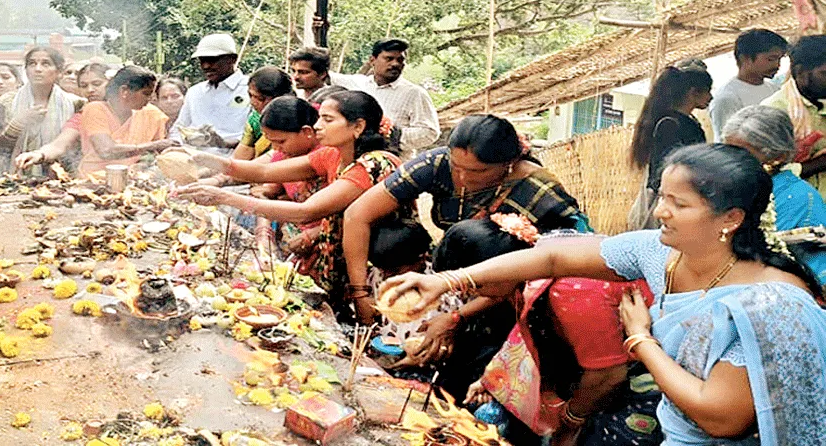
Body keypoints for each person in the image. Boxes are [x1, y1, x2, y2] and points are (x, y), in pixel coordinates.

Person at [381, 143, 826, 446]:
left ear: (730, 218)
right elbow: (553, 258)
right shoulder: (661, 253)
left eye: (679, 204)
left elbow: (722, 417)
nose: (660, 211)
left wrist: (641, 340)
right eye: (662, 196)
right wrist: (449, 281)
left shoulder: (771, 302)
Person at [179, 91, 416, 314]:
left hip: (384, 265)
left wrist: (224, 197)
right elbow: (264, 173)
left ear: (358, 126)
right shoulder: (332, 155)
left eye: (327, 119)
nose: (317, 125)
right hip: (351, 265)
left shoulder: (374, 165)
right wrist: (202, 158)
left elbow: (306, 212)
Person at [343, 114, 589, 326]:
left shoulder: (540, 194)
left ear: (509, 164)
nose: (462, 177)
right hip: (453, 283)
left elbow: (542, 268)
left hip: (508, 293)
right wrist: (360, 293)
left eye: (477, 171)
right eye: (456, 166)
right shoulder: (436, 164)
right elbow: (357, 215)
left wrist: (455, 319)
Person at [459, 228, 661, 446]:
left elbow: (608, 376)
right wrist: (496, 378)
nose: (473, 295)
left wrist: (570, 421)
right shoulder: (540, 255)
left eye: (475, 286)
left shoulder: (571, 291)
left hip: (651, 375)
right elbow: (528, 334)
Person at [721, 105, 826, 282]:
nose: (730, 162)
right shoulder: (731, 186)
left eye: (742, 154)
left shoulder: (798, 198)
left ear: (779, 157)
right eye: (727, 152)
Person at [629, 64, 713, 229]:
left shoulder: (685, 121)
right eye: (707, 91)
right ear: (692, 92)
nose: (711, 97)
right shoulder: (670, 124)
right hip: (669, 199)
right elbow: (664, 167)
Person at [345, 39, 439, 159]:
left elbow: (430, 132)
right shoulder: (358, 84)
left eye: (400, 60)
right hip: (356, 161)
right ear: (372, 60)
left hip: (394, 166)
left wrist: (392, 135)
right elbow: (324, 75)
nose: (395, 64)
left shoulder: (414, 93)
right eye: (389, 59)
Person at [74, 66, 172, 175]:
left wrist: (141, 165)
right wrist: (152, 145)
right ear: (124, 91)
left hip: (134, 181)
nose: (150, 99)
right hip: (92, 181)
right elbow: (106, 150)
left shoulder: (151, 113)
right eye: (146, 93)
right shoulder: (95, 109)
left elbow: (152, 154)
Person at [12, 62, 109, 171]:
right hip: (92, 180)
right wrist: (39, 154)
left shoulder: (129, 110)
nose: (90, 90)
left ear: (111, 83)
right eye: (84, 86)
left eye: (96, 84)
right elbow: (60, 144)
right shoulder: (83, 115)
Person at [0, 46, 83, 166]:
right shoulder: (8, 101)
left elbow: (77, 147)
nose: (37, 69)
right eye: (32, 64)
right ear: (25, 70)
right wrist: (17, 123)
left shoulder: (76, 103)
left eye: (45, 64)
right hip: (16, 173)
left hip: (62, 174)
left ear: (59, 72)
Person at [763, 34, 826, 198]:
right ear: (800, 72)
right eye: (824, 74)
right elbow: (768, 173)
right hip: (802, 209)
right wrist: (818, 163)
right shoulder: (774, 111)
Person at [169, 34, 250, 149]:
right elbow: (178, 129)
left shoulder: (250, 90)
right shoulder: (195, 92)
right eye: (202, 60)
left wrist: (222, 143)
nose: (206, 66)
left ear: (232, 59)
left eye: (212, 60)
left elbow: (258, 137)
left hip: (234, 160)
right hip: (192, 158)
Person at [709, 30, 787, 138]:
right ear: (744, 58)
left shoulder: (775, 90)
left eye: (779, 59)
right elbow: (729, 143)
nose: (777, 65)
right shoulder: (727, 98)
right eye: (771, 59)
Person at [235, 66, 294, 161]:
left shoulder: (295, 120)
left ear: (279, 97)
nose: (253, 102)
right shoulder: (255, 119)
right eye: (250, 95)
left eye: (260, 98)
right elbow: (241, 156)